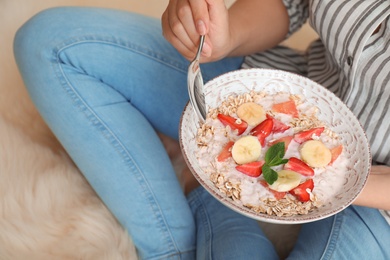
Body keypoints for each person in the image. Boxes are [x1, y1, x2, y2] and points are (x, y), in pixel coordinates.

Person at [13, 0, 390, 259]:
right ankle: (174, 244)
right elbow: (288, 4)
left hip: (378, 203)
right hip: (284, 95)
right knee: (52, 44)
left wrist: (345, 180)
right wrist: (228, 35)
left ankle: (209, 204)